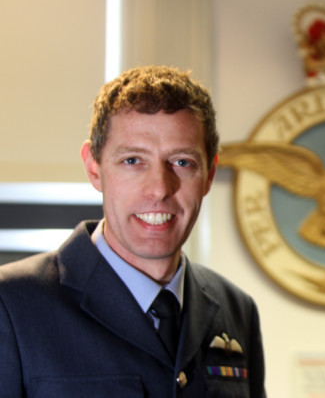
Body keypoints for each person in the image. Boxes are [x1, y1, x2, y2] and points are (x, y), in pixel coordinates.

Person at [0, 66, 266, 397]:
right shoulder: (10, 305)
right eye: (132, 161)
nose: (159, 188)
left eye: (182, 162)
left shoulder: (237, 309)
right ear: (93, 167)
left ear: (209, 174)